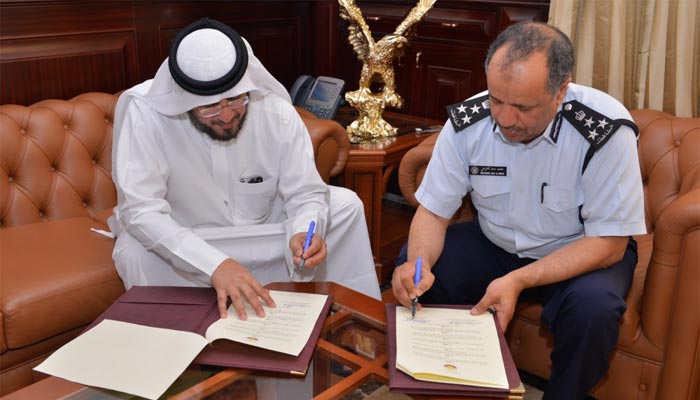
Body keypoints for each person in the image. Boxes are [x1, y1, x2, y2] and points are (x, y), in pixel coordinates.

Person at [392, 21, 645, 399]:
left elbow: (609, 244)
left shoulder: (604, 129)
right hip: (495, 241)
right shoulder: (468, 121)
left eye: (524, 108)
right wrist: (418, 263)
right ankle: (451, 385)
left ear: (561, 91)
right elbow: (433, 212)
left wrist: (518, 280)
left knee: (594, 310)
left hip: (579, 250)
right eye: (496, 100)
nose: (505, 119)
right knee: (419, 268)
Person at [108, 18, 381, 322]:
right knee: (134, 249)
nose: (226, 116)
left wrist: (305, 229)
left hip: (261, 231)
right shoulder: (145, 114)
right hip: (188, 239)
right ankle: (175, 336)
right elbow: (141, 211)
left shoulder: (273, 109)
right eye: (209, 107)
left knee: (345, 205)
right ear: (184, 101)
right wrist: (215, 265)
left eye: (237, 99)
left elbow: (305, 191)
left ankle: (349, 322)